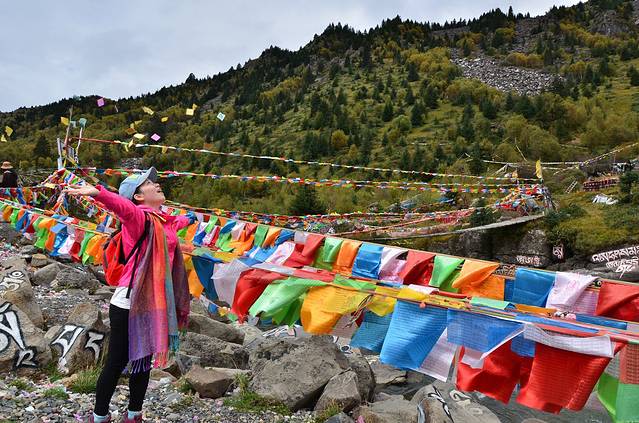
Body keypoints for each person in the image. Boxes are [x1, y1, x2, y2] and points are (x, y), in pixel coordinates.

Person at [65, 167, 195, 423]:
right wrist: (99, 193)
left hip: (154, 302)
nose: (156, 184)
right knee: (117, 361)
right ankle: (99, 416)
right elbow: (123, 209)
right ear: (138, 196)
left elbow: (175, 223)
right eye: (148, 183)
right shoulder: (139, 219)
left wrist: (189, 219)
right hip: (129, 302)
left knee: (143, 362)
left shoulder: (163, 221)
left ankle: (134, 414)